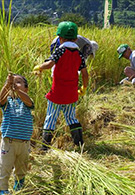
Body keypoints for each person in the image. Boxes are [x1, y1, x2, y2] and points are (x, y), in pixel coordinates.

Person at [33, 21, 89, 151]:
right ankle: (79, 143)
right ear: (75, 38)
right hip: (71, 93)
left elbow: (50, 64)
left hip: (57, 92)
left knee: (51, 117)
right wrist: (84, 88)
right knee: (71, 117)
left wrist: (39, 67)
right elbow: (85, 74)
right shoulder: (79, 54)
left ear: (59, 38)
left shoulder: (60, 50)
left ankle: (45, 146)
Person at [0, 73, 34, 195]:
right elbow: (1, 98)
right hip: (9, 143)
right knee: (5, 167)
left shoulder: (27, 103)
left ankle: (19, 188)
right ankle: (2, 189)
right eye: (13, 82)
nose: (15, 84)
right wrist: (7, 84)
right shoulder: (8, 103)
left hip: (24, 143)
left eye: (19, 82)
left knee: (21, 168)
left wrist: (17, 91)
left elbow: (28, 101)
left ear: (26, 89)